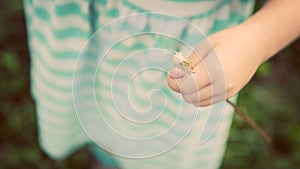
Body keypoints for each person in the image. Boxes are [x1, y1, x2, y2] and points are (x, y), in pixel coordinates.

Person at [23, 0, 300, 169]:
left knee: (160, 143)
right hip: (79, 22)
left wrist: (258, 38)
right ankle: (107, 155)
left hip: (192, 30)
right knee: (94, 108)